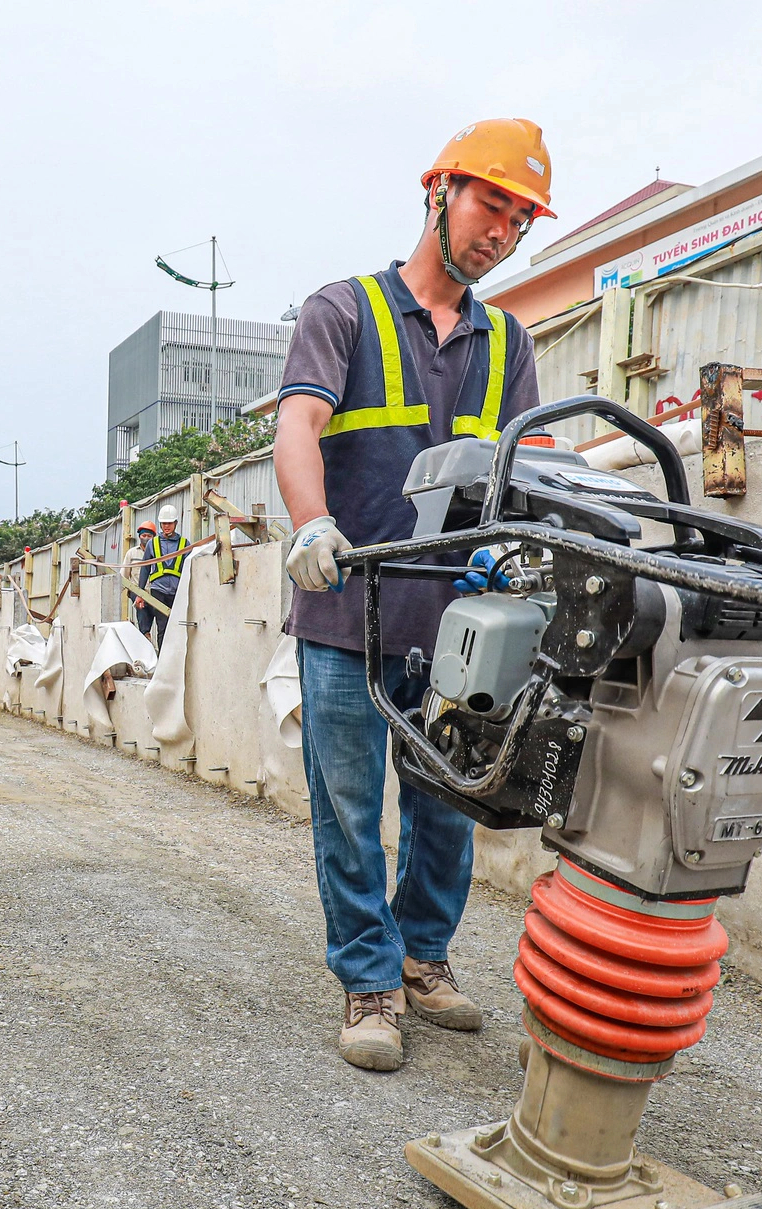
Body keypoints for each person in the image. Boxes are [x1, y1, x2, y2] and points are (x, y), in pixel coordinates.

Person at [273, 119, 553, 1072]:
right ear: (437, 190)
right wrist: (311, 520)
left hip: (460, 625)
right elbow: (300, 426)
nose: (501, 232)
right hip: (346, 609)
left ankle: (423, 958)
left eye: (520, 221)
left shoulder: (507, 339)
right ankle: (368, 979)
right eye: (491, 205)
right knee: (349, 807)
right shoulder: (342, 310)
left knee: (447, 807)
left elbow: (531, 469)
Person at [136, 504, 189, 647]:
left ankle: (175, 660)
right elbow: (145, 568)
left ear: (176, 523)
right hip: (158, 591)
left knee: (178, 626)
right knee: (162, 626)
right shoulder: (152, 543)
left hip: (177, 592)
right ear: (160, 524)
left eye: (170, 523)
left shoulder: (185, 544)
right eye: (164, 523)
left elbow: (190, 570)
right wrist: (140, 593)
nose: (167, 526)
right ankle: (162, 662)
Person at [130, 518, 160, 641]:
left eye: (149, 535)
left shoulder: (158, 552)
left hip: (154, 591)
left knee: (160, 618)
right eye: (143, 535)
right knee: (142, 614)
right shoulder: (132, 553)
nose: (146, 538)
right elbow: (124, 574)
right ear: (139, 536)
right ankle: (145, 637)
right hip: (137, 591)